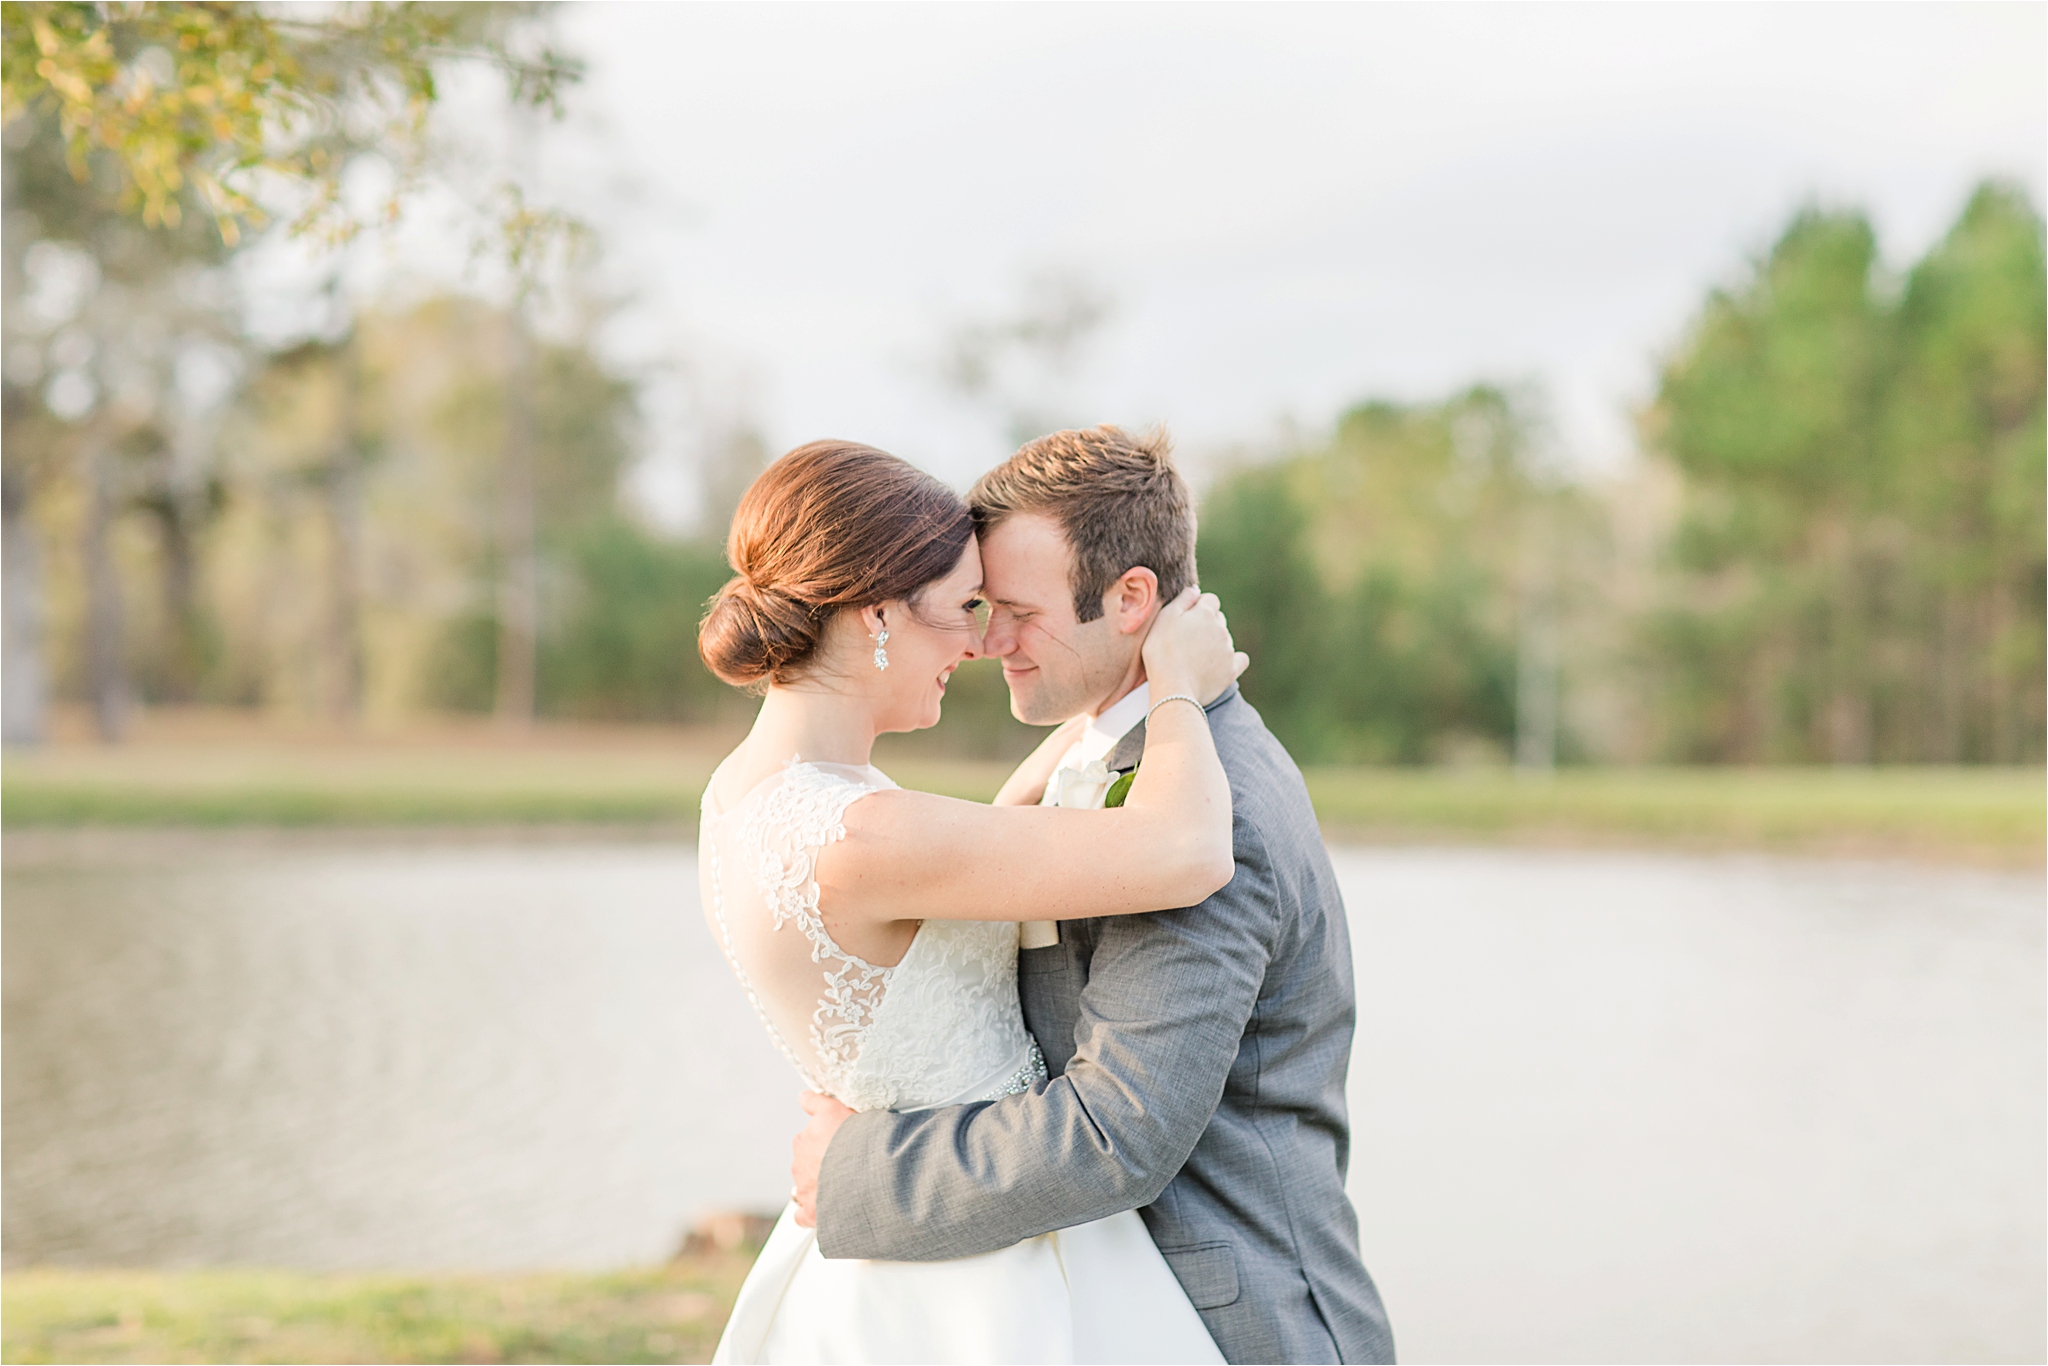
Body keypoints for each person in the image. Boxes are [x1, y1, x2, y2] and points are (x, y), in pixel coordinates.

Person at [789, 426, 1396, 1365]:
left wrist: (861, 1172)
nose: (988, 642)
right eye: (982, 606)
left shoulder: (1205, 808)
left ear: (1130, 599)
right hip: (1077, 1305)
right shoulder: (1102, 752)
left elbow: (1118, 1130)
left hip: (1227, 1319)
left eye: (1019, 611)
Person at [697, 438, 1249, 1364]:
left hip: (890, 1239)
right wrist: (1180, 690)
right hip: (977, 1277)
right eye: (962, 610)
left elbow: (957, 870)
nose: (981, 642)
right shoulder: (865, 834)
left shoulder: (753, 793)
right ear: (876, 612)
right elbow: (1188, 848)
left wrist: (1096, 716)